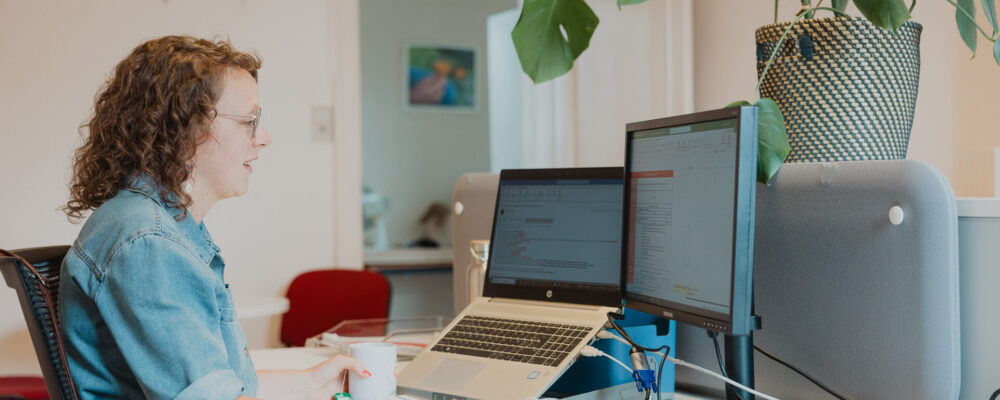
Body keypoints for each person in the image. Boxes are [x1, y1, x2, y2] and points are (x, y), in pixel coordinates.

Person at [58, 35, 368, 400]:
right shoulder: (148, 243)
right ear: (184, 129)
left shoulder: (154, 225)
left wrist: (313, 383)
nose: (264, 138)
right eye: (249, 120)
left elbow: (216, 387)